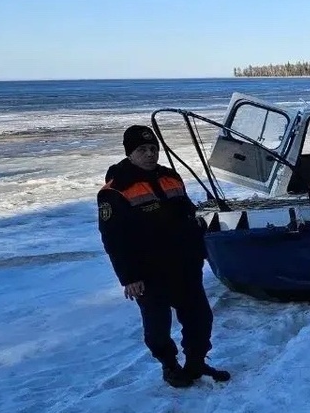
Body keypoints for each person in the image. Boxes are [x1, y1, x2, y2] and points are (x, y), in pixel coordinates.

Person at [97, 124, 230, 387]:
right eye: (142, 150)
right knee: (158, 329)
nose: (149, 154)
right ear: (130, 153)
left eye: (153, 148)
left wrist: (201, 246)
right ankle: (170, 366)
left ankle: (195, 362)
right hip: (149, 273)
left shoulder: (171, 177)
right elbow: (114, 239)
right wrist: (129, 277)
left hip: (184, 266)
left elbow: (188, 214)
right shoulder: (115, 190)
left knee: (200, 319)